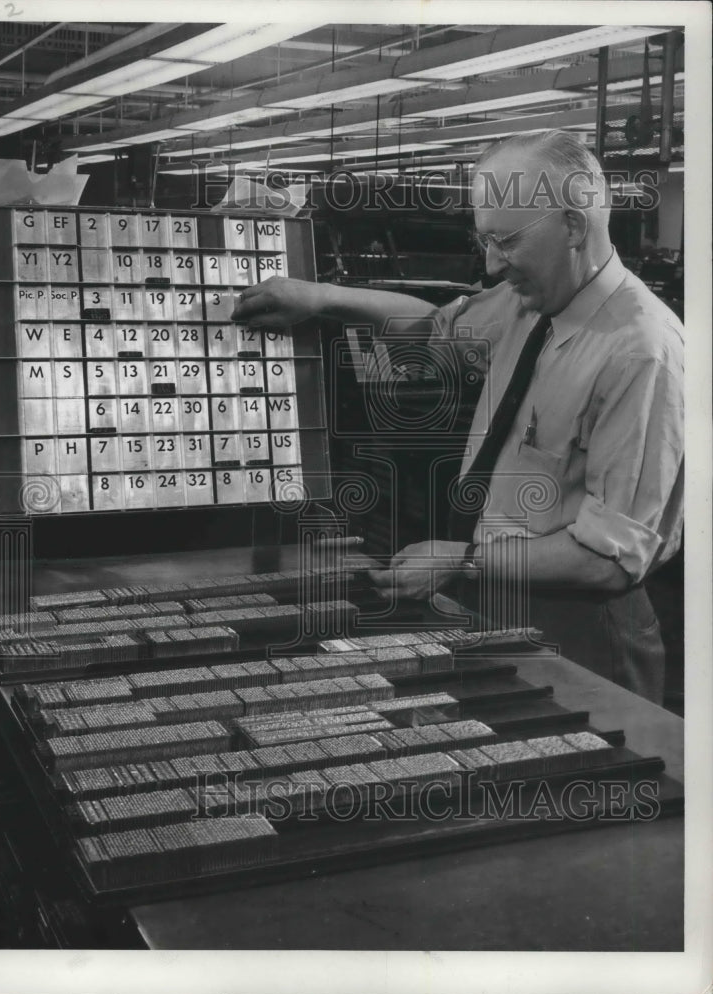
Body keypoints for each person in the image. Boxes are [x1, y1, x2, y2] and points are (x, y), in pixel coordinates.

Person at [231, 131, 684, 704]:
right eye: (483, 239)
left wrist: (462, 561)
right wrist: (321, 298)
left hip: (584, 630)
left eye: (506, 241)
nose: (492, 264)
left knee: (578, 775)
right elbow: (436, 329)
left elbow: (609, 560)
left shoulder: (640, 352)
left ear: (573, 227)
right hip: (501, 601)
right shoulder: (534, 301)